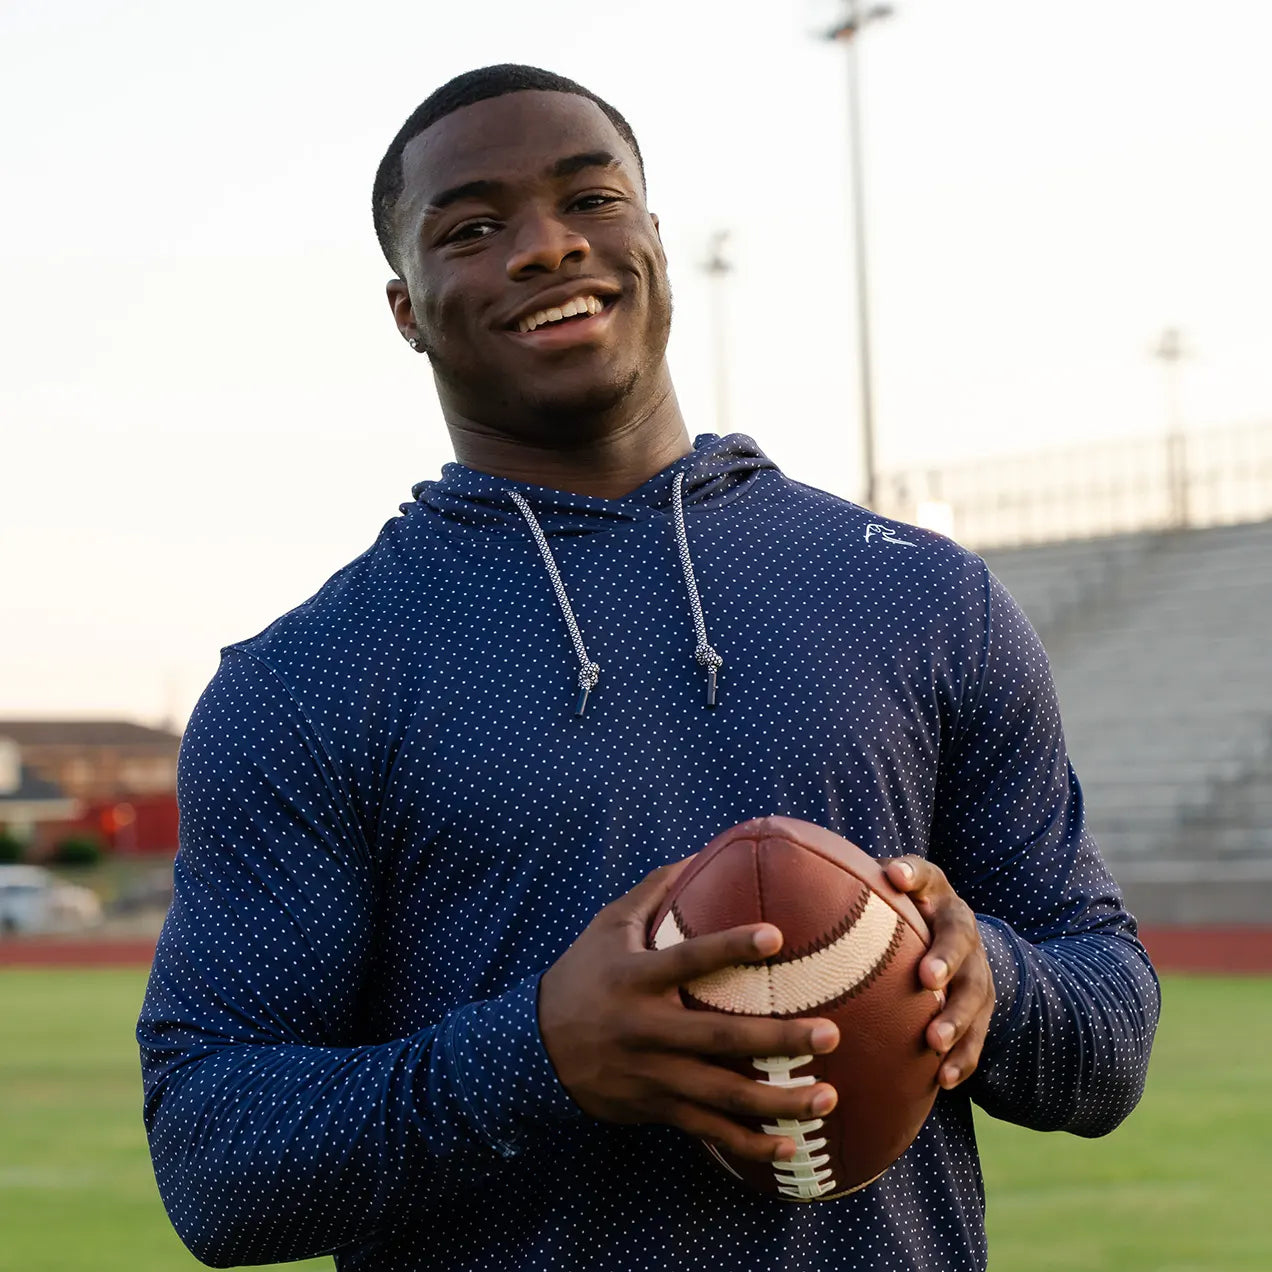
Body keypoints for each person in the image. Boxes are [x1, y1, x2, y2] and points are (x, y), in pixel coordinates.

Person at [138, 64, 1160, 1271]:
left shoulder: (920, 594)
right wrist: (536, 1057)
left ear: (655, 239)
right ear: (406, 308)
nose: (548, 248)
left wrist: (989, 983)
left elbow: (1112, 1030)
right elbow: (214, 1164)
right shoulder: (308, 681)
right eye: (473, 228)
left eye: (592, 199)